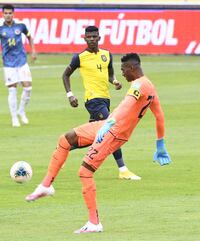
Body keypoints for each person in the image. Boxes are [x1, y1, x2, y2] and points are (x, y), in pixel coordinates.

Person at [26, 53, 172, 233]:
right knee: (66, 138)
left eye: (123, 70)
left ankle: (94, 223)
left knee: (85, 172)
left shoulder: (138, 86)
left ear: (132, 68)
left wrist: (110, 123)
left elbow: (126, 105)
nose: (122, 74)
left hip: (114, 132)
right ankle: (46, 186)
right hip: (108, 125)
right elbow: (160, 116)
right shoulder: (149, 85)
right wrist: (160, 144)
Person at [62, 25, 141, 180]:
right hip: (93, 100)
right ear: (84, 38)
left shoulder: (107, 55)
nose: (92, 39)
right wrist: (70, 95)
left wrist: (115, 81)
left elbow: (110, 73)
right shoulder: (79, 57)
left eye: (94, 36)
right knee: (113, 130)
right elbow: (65, 75)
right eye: (89, 37)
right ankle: (123, 169)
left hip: (105, 99)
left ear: (99, 37)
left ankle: (64, 147)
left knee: (96, 136)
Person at [0, 4, 37, 127]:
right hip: (8, 64)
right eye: (6, 13)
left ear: (13, 14)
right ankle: (14, 117)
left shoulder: (21, 26)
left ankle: (21, 110)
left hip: (22, 61)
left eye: (10, 13)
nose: (8, 15)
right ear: (2, 14)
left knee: (28, 88)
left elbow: (30, 37)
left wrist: (33, 51)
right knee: (12, 90)